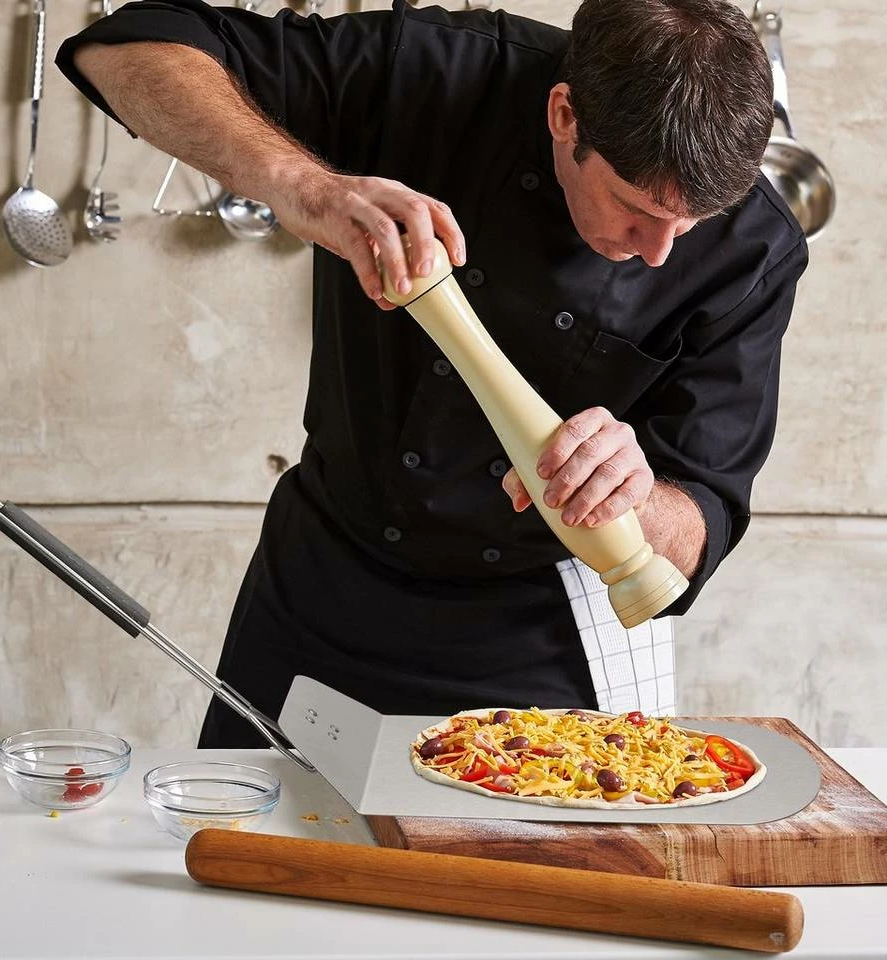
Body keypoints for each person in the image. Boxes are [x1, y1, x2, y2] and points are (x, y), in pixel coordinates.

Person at [57, 0, 807, 747]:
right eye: (634, 208)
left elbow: (702, 516)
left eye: (694, 224)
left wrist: (633, 497)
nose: (660, 253)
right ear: (564, 115)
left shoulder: (756, 251)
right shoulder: (430, 71)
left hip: (545, 634)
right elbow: (123, 48)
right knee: (251, 821)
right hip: (321, 589)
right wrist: (304, 185)